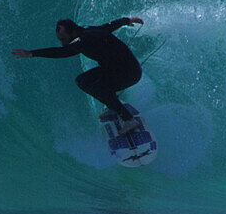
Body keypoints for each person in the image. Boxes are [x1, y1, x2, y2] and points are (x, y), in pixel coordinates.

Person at [12, 16, 144, 134]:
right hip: (118, 69)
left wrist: (31, 53)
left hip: (129, 73)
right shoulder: (87, 30)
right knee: (82, 81)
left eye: (63, 39)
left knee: (96, 87)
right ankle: (113, 105)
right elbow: (108, 26)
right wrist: (126, 20)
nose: (63, 43)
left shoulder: (83, 41)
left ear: (73, 32)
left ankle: (129, 119)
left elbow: (61, 52)